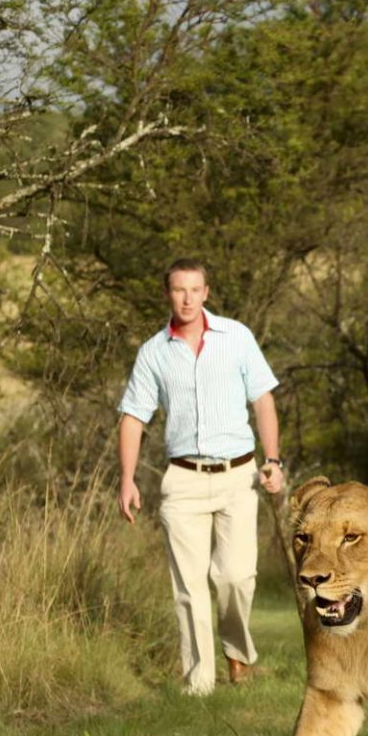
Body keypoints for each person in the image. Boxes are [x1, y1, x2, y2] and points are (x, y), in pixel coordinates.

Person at [117, 259, 288, 696]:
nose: (187, 298)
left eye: (195, 289)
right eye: (179, 290)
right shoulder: (153, 352)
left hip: (238, 475)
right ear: (168, 294)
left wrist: (274, 459)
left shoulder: (237, 337)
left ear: (207, 292)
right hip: (183, 480)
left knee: (236, 577)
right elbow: (133, 416)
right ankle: (199, 683)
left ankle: (237, 653)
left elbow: (263, 400)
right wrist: (127, 479)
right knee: (189, 586)